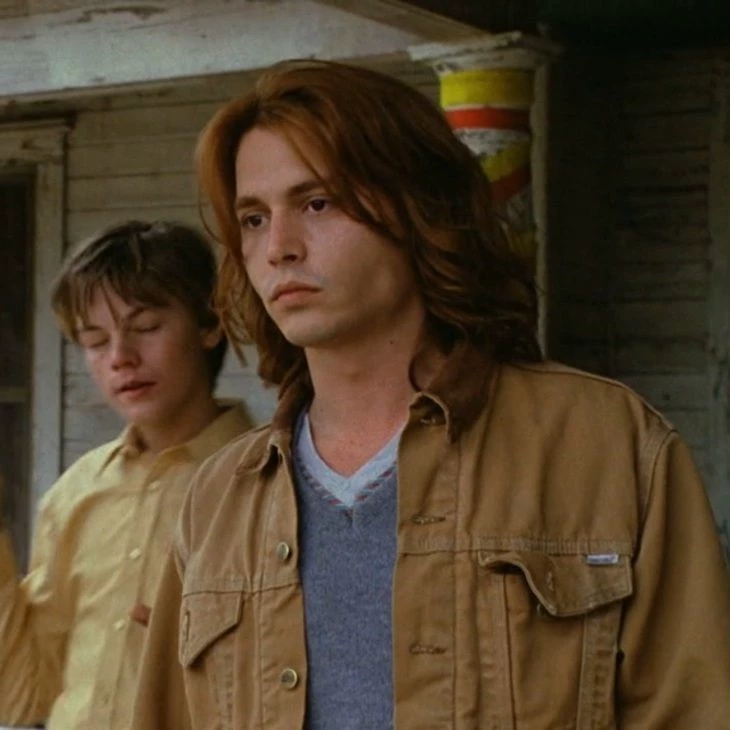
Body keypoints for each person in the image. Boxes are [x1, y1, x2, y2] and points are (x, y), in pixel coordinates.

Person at [132, 60, 730, 729]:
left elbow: (695, 709)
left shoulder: (606, 443)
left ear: (418, 208)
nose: (278, 248)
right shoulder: (218, 501)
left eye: (317, 203)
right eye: (252, 218)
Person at [0, 220, 252, 729]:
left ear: (210, 324)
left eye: (147, 327)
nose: (120, 358)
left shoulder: (262, 483)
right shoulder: (75, 493)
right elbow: (24, 698)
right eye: (95, 340)